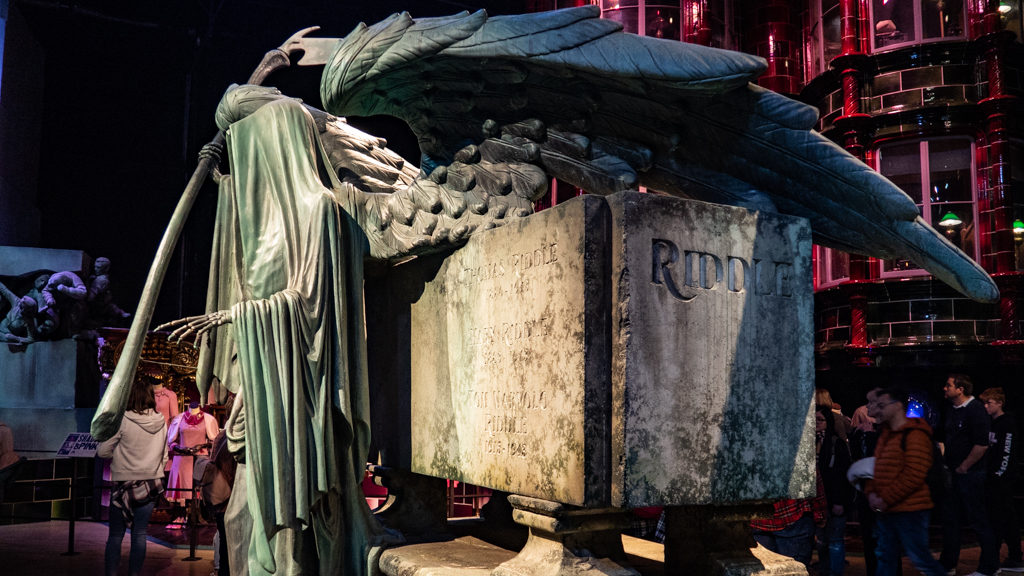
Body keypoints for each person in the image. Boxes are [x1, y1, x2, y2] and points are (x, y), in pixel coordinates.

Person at [866, 388, 947, 576]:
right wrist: (872, 492)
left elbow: (914, 474)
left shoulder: (915, 434)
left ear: (897, 406)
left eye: (882, 405)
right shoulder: (886, 433)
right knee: (886, 557)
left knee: (920, 558)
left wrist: (883, 498)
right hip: (888, 509)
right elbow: (876, 468)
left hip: (911, 510)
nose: (878, 410)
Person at [97, 379, 167, 576]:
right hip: (151, 483)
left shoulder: (122, 420)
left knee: (116, 535)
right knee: (140, 534)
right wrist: (152, 469)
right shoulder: (161, 420)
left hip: (123, 484)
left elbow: (103, 451)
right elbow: (165, 454)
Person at [939, 373, 998, 576]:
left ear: (960, 389)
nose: (945, 389)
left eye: (948, 385)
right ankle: (948, 564)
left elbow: (982, 444)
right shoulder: (952, 410)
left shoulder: (975, 411)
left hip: (971, 474)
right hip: (954, 474)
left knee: (978, 520)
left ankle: (989, 566)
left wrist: (964, 466)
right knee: (951, 519)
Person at [979, 387, 1024, 572]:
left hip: (1001, 479)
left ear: (999, 403)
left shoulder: (1007, 424)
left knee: (1001, 518)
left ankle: (1004, 558)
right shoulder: (992, 424)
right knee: (1005, 517)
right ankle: (1013, 557)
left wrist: (999, 474)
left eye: (989, 402)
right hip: (994, 478)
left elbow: (1006, 452)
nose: (986, 406)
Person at [166, 400, 218, 524]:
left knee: (198, 486)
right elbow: (171, 440)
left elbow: (214, 441)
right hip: (182, 458)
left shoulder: (208, 419)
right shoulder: (179, 418)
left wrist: (201, 446)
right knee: (182, 486)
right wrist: (178, 448)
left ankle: (198, 515)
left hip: (200, 459)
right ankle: (181, 515)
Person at [816, 408, 853, 576]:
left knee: (835, 540)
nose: (816, 423)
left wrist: (839, 501)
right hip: (818, 500)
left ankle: (835, 572)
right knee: (822, 540)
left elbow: (842, 475)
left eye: (820, 420)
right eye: (814, 419)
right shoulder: (810, 442)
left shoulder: (836, 444)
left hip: (834, 498)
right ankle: (825, 570)